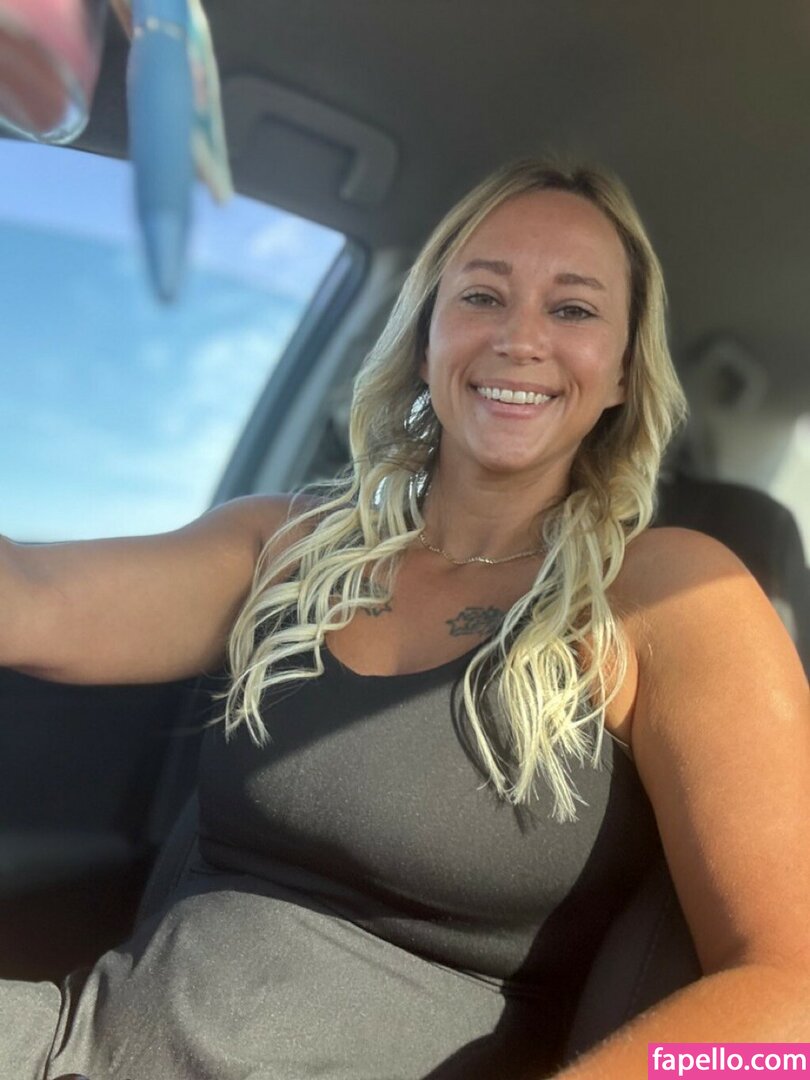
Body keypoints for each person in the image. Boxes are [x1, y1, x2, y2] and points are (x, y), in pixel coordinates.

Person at [1, 158, 808, 1080]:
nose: (520, 339)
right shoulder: (288, 545)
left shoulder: (671, 596)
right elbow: (33, 597)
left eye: (573, 309)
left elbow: (793, 1003)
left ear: (623, 370)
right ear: (426, 341)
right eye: (482, 297)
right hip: (68, 1046)